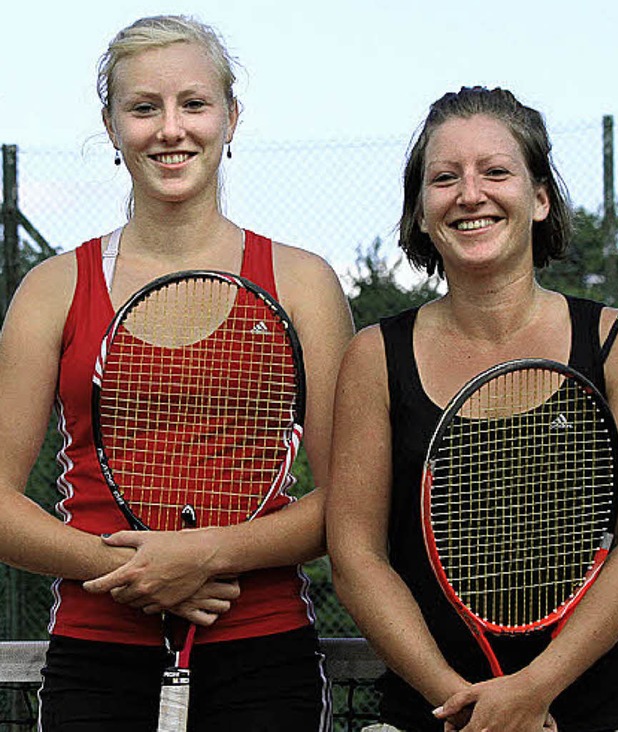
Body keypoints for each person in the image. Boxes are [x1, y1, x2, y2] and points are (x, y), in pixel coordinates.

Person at [0, 14, 353, 731]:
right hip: (96, 654)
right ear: (111, 126)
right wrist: (136, 570)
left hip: (264, 654)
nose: (171, 129)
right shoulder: (52, 288)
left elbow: (351, 499)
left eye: (193, 104)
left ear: (230, 117)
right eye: (143, 108)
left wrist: (209, 552)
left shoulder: (303, 284)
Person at [326, 86, 618, 732]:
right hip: (434, 713)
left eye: (496, 171)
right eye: (445, 178)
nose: (470, 194)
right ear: (420, 211)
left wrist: (534, 690)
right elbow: (357, 557)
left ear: (541, 197)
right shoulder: (374, 357)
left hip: (597, 710)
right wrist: (463, 704)